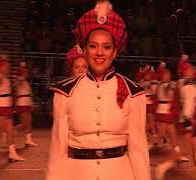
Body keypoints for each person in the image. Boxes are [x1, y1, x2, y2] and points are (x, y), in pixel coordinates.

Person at [46, 1, 151, 180]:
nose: (99, 53)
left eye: (107, 47)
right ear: (84, 50)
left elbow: (139, 151)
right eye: (93, 46)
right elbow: (57, 151)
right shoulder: (65, 93)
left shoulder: (133, 93)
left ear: (115, 52)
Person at [0, 59, 25, 161]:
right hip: (0, 107)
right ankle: (12, 153)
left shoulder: (5, 78)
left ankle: (12, 153)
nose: (8, 67)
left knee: (10, 131)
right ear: (1, 67)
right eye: (6, 66)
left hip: (6, 107)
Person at [14, 62, 38, 147]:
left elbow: (29, 94)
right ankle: (12, 131)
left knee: (29, 122)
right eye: (25, 72)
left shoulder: (26, 82)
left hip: (27, 102)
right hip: (22, 103)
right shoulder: (18, 79)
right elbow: (19, 81)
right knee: (24, 123)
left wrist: (31, 104)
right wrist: (22, 69)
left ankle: (28, 140)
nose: (27, 73)